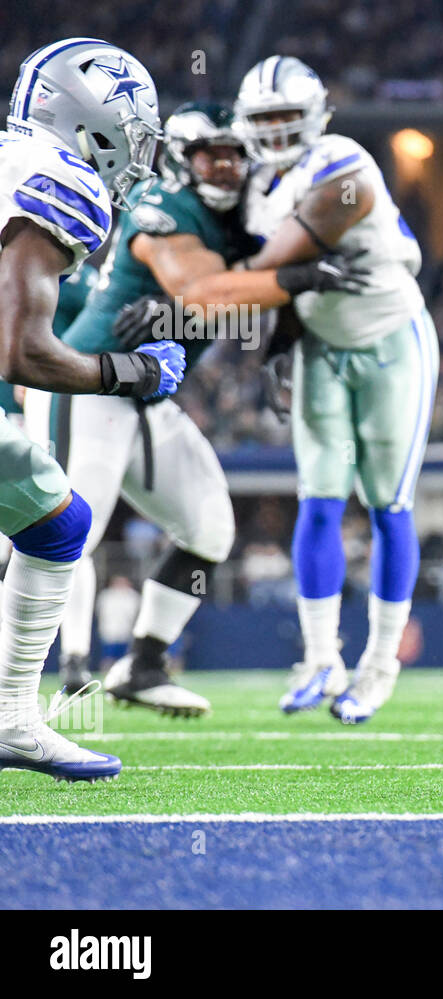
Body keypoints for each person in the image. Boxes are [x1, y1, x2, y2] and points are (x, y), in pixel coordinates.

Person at [29, 101, 364, 715]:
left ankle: (143, 665)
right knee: (68, 533)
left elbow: (224, 299)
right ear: (182, 160)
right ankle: (61, 678)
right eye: (212, 154)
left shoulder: (248, 216)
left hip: (152, 393)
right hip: (93, 383)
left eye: (236, 153)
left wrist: (276, 334)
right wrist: (295, 280)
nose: (227, 166)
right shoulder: (162, 205)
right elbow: (203, 291)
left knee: (210, 527)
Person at [0, 38, 185, 781]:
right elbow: (19, 348)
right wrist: (130, 372)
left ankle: (13, 720)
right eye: (133, 136)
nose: (136, 158)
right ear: (92, 122)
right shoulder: (56, 180)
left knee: (57, 520)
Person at [231, 56, 437, 724]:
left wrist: (212, 285)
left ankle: (380, 665)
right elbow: (283, 278)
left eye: (290, 115)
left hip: (391, 342)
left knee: (388, 505)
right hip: (322, 344)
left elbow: (271, 264)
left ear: (317, 115)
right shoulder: (256, 185)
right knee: (317, 502)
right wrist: (282, 341)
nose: (281, 130)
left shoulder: (342, 164)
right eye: (267, 120)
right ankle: (321, 657)